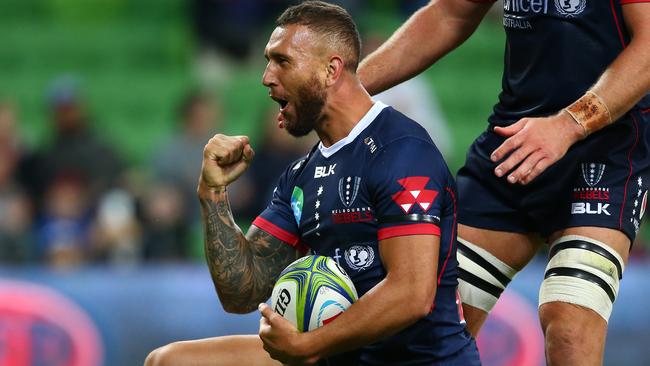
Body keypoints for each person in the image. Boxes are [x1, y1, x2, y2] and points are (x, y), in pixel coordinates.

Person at [145, 2, 480, 365]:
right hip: (337, 354)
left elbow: (412, 294)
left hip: (416, 360)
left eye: (282, 61)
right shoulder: (301, 173)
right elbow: (242, 292)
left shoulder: (401, 150)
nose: (266, 77)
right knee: (168, 361)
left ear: (331, 70)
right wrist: (212, 193)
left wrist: (310, 344)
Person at [357, 1, 650, 365]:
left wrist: (568, 125)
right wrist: (347, 90)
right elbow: (451, 13)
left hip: (605, 150)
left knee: (570, 328)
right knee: (431, 325)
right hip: (515, 142)